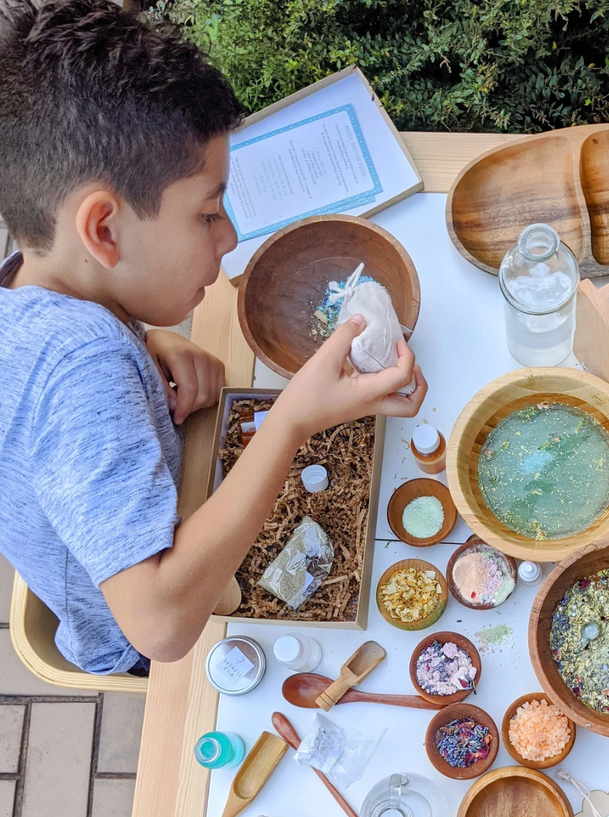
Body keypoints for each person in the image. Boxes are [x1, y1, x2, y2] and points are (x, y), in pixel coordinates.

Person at [0, 0, 426, 676]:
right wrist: (291, 420)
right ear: (104, 230)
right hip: (146, 637)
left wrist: (143, 345)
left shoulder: (31, 280)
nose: (229, 237)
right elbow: (162, 626)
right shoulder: (82, 370)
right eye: (206, 214)